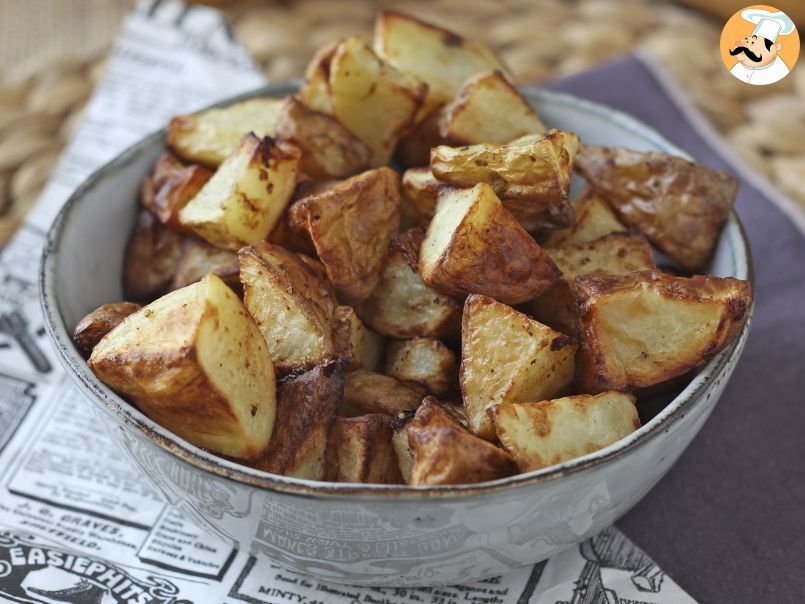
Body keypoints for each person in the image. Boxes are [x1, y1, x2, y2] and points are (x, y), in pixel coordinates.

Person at [729, 9, 796, 85]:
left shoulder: (779, 71)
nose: (746, 44)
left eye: (753, 43)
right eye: (747, 40)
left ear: (776, 47)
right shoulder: (738, 66)